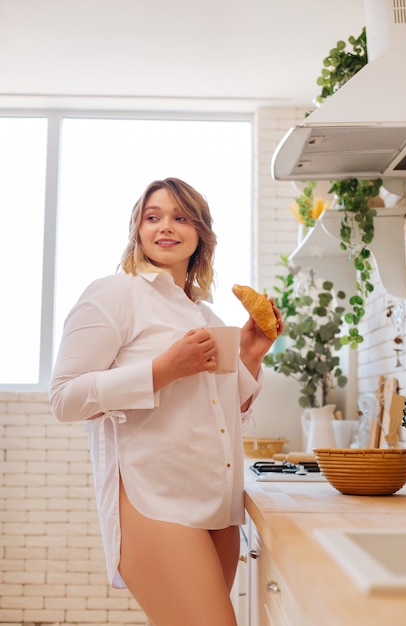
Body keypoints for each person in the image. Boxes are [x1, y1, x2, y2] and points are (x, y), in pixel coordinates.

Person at [49, 177, 283, 626]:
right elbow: (64, 399)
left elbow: (219, 412)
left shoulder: (206, 315)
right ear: (137, 230)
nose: (165, 227)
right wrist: (164, 369)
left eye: (180, 217)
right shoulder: (115, 294)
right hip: (153, 500)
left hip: (218, 506)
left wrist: (251, 355)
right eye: (152, 217)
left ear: (200, 233)